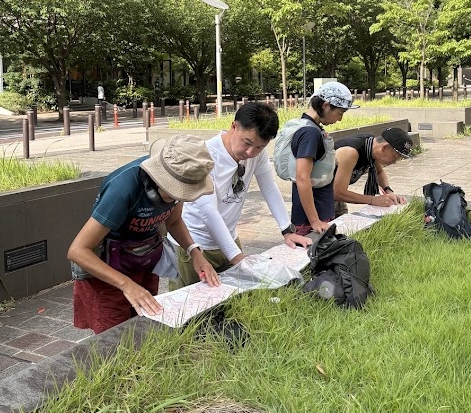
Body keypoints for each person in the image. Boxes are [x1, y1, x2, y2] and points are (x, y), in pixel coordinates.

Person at [67, 135, 219, 334]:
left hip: (144, 262)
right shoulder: (123, 188)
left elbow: (173, 221)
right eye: (176, 192)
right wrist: (127, 285)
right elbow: (78, 251)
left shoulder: (181, 178)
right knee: (116, 339)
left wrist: (194, 251)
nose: (179, 198)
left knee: (143, 330)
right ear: (161, 178)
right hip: (108, 272)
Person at [170, 102, 311, 288]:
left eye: (259, 147)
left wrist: (287, 230)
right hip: (195, 244)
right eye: (247, 143)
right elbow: (208, 211)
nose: (250, 153)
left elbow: (269, 188)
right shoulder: (205, 156)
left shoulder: (256, 154)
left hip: (229, 239)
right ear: (234, 126)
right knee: (191, 301)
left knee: (235, 296)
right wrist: (236, 256)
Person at [290, 82, 359, 236]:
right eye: (340, 113)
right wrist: (314, 221)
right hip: (312, 220)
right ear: (326, 106)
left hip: (317, 212)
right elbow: (302, 177)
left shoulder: (311, 128)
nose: (340, 119)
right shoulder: (310, 133)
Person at [333, 127, 413, 218]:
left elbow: (379, 172)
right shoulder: (351, 153)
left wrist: (388, 191)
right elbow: (337, 192)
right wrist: (373, 200)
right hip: (321, 194)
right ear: (384, 147)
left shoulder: (372, 147)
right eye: (394, 157)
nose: (394, 162)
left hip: (335, 195)